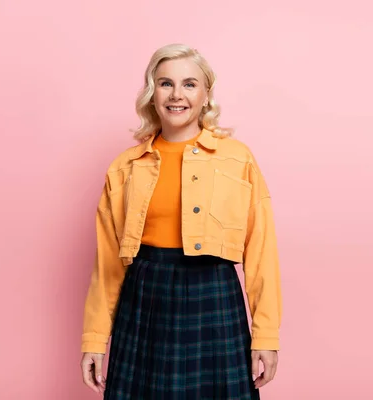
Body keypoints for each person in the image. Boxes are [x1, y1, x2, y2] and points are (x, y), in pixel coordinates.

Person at [79, 43, 282, 399]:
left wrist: (265, 335)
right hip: (145, 300)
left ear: (206, 95)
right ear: (152, 93)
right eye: (165, 83)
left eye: (189, 84)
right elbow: (108, 264)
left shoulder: (238, 159)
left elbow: (262, 250)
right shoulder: (126, 167)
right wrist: (95, 338)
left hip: (214, 298)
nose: (177, 94)